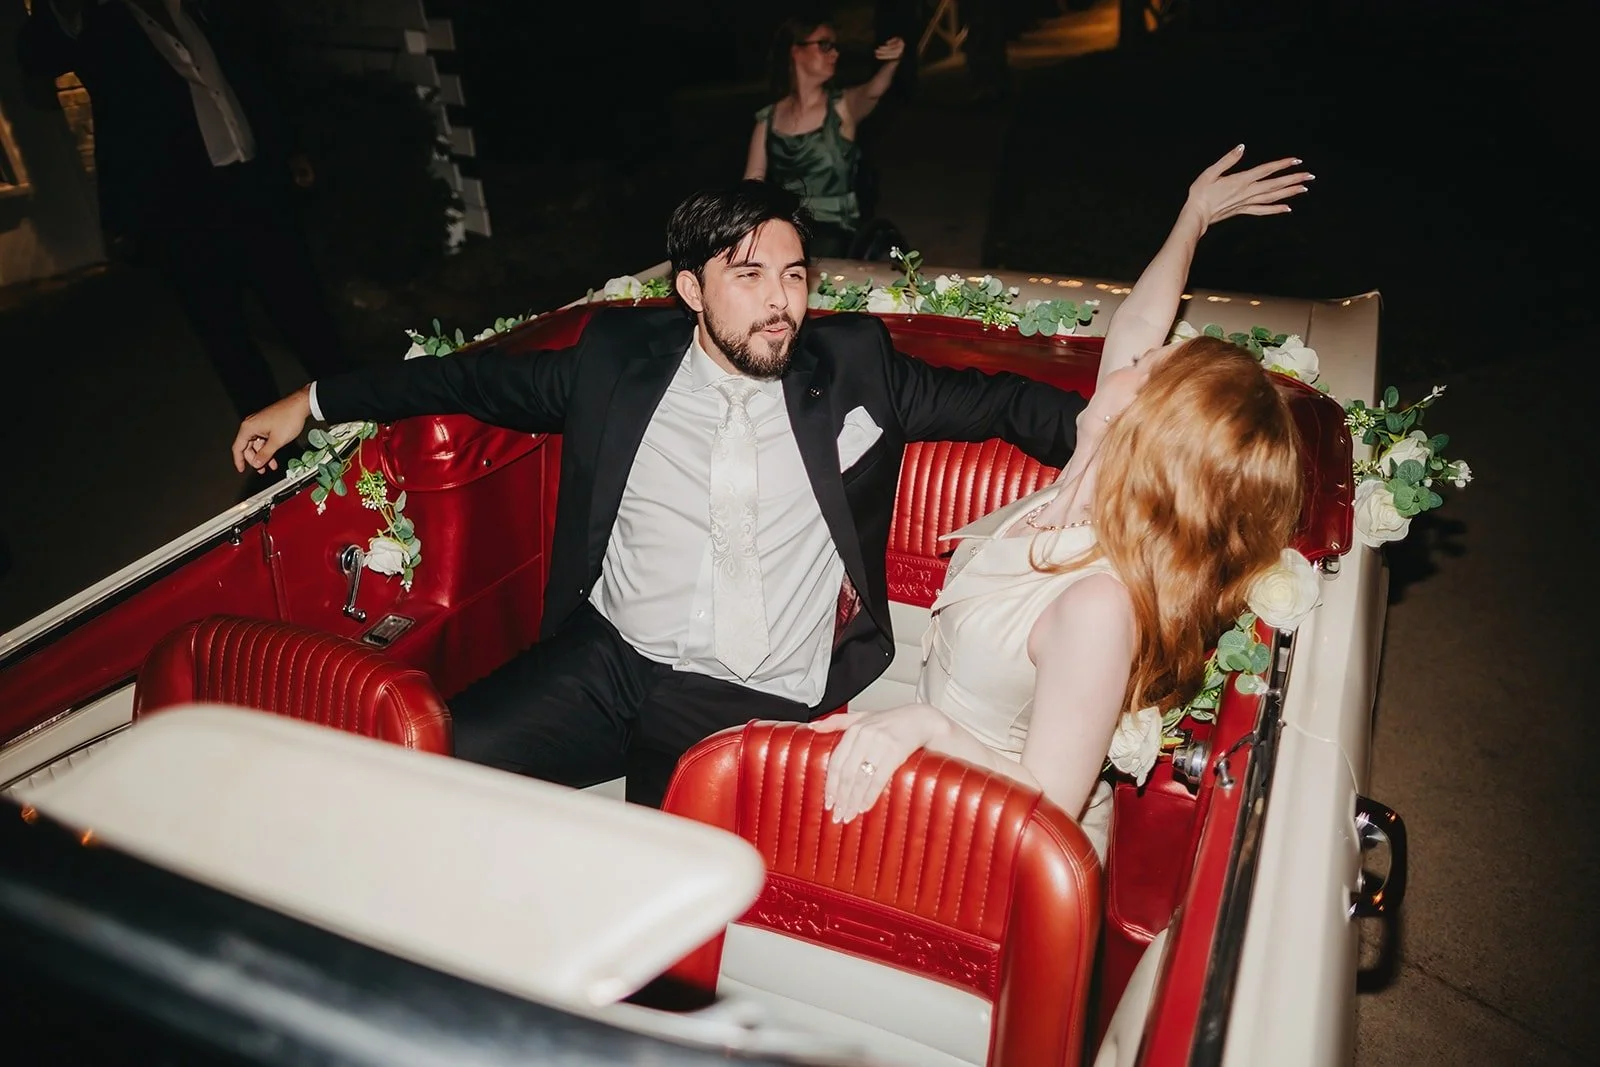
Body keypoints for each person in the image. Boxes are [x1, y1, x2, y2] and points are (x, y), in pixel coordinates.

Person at [230, 179, 1090, 807]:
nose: (781, 303)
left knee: (644, 851)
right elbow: (469, 382)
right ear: (690, 291)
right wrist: (309, 401)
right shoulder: (615, 365)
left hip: (753, 684)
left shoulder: (856, 368)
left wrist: (1129, 451)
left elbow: (1009, 403)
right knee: (422, 759)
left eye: (794, 275)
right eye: (749, 276)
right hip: (609, 656)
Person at [811, 146, 1314, 859]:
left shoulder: (1097, 605)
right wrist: (1194, 216)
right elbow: (1140, 319)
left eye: (1143, 369)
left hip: (989, 837)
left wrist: (928, 731)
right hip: (925, 765)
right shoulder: (1090, 471)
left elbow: (1050, 801)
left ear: (1141, 433)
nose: (1131, 356)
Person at [16, 0, 351, 434]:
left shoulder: (199, 8)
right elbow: (38, 58)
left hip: (255, 184)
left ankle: (359, 416)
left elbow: (248, 76)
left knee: (306, 310)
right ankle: (277, 457)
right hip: (184, 210)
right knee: (226, 336)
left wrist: (288, 146)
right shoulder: (101, 25)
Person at [743, 14, 905, 258]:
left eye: (835, 47)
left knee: (814, 248)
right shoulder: (768, 119)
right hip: (790, 228)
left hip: (837, 232)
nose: (835, 54)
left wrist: (893, 62)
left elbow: (873, 91)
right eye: (825, 45)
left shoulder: (842, 108)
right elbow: (752, 184)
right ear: (796, 51)